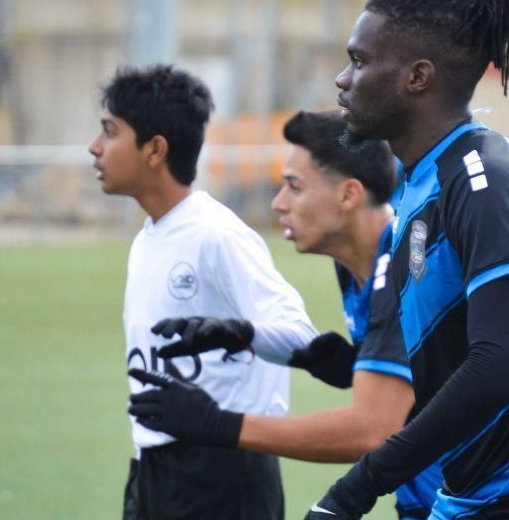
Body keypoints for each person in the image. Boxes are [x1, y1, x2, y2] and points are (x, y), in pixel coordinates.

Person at [305, 0, 509, 519]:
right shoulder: (423, 181)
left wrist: (359, 486)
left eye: (359, 61)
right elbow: (450, 358)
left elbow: (497, 367)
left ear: (417, 77)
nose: (343, 80)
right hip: (473, 494)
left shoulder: (485, 181)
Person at [127, 109, 441, 519]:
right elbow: (426, 390)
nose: (278, 204)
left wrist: (218, 425)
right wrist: (245, 335)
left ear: (348, 195)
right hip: (432, 499)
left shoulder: (401, 267)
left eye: (294, 187)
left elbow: (372, 430)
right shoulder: (361, 267)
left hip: (482, 499)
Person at [87, 65, 317, 520]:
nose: (95, 149)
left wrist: (236, 332)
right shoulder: (149, 238)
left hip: (222, 478)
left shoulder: (217, 235)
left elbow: (301, 335)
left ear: (155, 150)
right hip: (154, 470)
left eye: (110, 132)